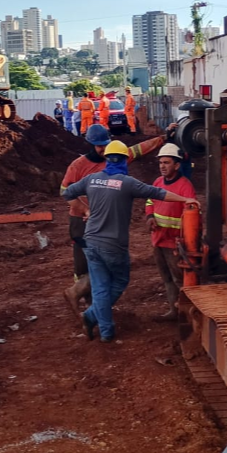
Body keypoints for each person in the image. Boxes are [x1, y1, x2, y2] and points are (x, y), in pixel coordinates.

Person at [62, 140, 198, 342]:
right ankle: (92, 317)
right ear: (125, 160)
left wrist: (86, 210)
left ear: (107, 159)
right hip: (113, 245)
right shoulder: (127, 183)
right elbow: (156, 193)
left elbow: (67, 192)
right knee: (120, 280)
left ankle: (105, 331)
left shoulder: (92, 179)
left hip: (91, 241)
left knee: (100, 286)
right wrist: (184, 200)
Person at [58, 124, 165, 315]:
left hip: (102, 220)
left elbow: (138, 149)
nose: (104, 149)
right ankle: (84, 299)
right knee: (85, 262)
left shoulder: (113, 157)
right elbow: (65, 191)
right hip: (81, 220)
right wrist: (84, 209)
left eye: (106, 145)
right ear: (90, 144)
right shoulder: (78, 166)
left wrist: (163, 138)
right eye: (100, 146)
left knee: (101, 260)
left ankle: (93, 306)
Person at [145, 142, 196, 319]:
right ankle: (174, 311)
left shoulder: (185, 186)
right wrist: (150, 217)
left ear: (176, 165)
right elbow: (150, 202)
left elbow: (192, 214)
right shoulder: (158, 182)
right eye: (160, 163)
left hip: (173, 243)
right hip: (158, 240)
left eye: (166, 163)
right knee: (166, 279)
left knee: (179, 279)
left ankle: (186, 313)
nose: (162, 166)